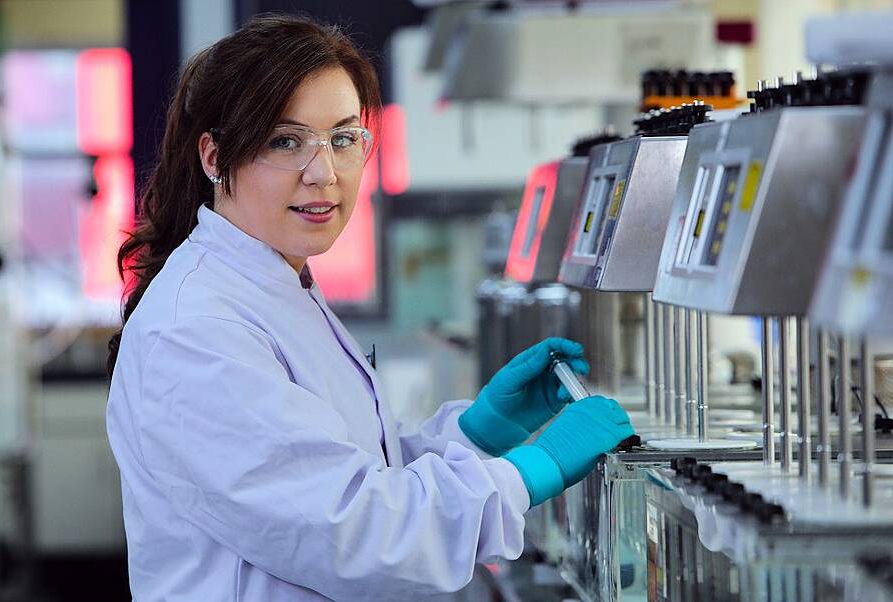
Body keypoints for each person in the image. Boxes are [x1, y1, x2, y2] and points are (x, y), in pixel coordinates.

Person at [105, 14, 633, 601]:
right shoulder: (198, 329)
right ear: (213, 155)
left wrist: (479, 433)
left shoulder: (275, 284)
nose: (323, 172)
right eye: (285, 140)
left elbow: (344, 467)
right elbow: (354, 530)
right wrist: (529, 472)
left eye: (343, 138)